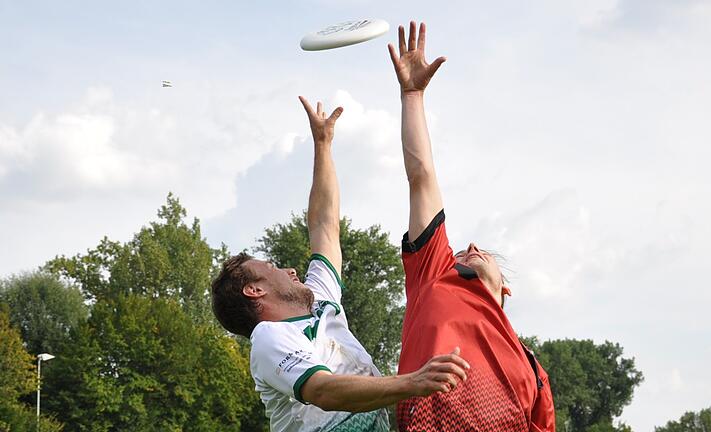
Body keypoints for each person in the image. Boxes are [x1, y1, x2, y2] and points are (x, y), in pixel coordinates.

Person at [211, 96, 471, 432]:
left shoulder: (319, 296)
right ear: (254, 290)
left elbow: (324, 225)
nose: (288, 269)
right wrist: (413, 382)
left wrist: (323, 144)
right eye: (272, 266)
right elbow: (322, 390)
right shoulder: (268, 337)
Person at [387, 21, 556, 431]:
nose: (472, 245)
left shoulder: (532, 368)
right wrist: (413, 96)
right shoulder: (435, 272)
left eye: (482, 253)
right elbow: (421, 176)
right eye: (462, 250)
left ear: (507, 290)